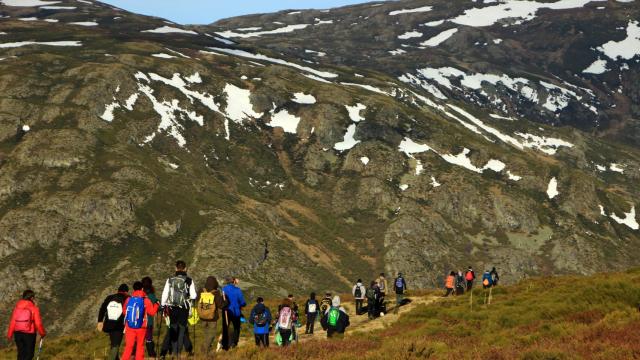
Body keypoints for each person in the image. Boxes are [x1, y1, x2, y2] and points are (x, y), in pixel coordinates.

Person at [161, 260, 197, 357]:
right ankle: (178, 353)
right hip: (184, 308)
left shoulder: (170, 279)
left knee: (173, 329)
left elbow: (164, 294)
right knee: (182, 331)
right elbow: (193, 296)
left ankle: (173, 352)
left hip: (172, 308)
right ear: (185, 268)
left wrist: (163, 305)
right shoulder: (189, 280)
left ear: (176, 268)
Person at [121, 281, 160, 360]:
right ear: (142, 289)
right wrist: (156, 304)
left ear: (133, 289)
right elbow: (152, 312)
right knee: (140, 346)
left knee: (129, 346)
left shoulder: (128, 299)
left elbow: (124, 312)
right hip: (141, 327)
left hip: (129, 326)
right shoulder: (146, 300)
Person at [7, 290, 46, 360]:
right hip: (29, 335)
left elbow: (13, 321)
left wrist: (9, 334)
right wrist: (42, 333)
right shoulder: (34, 308)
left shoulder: (17, 307)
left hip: (17, 334)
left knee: (21, 354)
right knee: (29, 355)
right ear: (32, 298)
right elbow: (38, 323)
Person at [97, 284, 129, 360]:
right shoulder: (127, 298)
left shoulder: (110, 298)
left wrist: (100, 321)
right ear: (126, 292)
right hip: (119, 325)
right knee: (115, 345)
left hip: (109, 324)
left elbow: (102, 309)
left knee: (114, 343)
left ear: (118, 290)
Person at [197, 276, 224, 355]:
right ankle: (205, 350)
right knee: (211, 335)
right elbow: (220, 305)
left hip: (202, 317)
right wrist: (226, 300)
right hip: (212, 318)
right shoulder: (216, 292)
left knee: (206, 335)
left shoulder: (201, 291)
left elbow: (197, 300)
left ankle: (206, 352)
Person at [221, 276, 246, 350]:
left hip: (226, 311)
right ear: (233, 281)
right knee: (236, 328)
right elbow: (242, 302)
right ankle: (234, 343)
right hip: (235, 311)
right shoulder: (237, 290)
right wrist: (242, 305)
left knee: (225, 328)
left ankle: (225, 346)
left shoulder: (223, 289)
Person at [140, 277, 159, 359]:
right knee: (149, 339)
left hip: (139, 323)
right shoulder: (152, 296)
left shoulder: (139, 295)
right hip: (149, 322)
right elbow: (157, 305)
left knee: (139, 342)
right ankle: (152, 356)